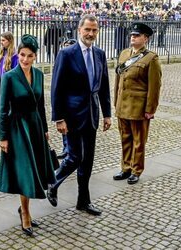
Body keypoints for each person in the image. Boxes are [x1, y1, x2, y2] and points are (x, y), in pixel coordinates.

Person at [48, 14, 112, 216]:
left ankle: (83, 201)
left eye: (94, 30)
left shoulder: (100, 54)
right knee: (75, 157)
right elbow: (56, 88)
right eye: (87, 30)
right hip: (72, 115)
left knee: (88, 160)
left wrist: (107, 114)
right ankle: (52, 183)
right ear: (79, 30)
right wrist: (59, 118)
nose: (91, 34)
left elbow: (104, 87)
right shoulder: (66, 54)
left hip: (92, 114)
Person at [0, 34, 56, 236]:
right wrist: (3, 137)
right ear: (18, 54)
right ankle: (26, 214)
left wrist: (45, 129)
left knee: (35, 169)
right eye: (22, 55)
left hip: (35, 127)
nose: (24, 59)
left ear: (35, 56)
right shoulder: (9, 77)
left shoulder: (39, 75)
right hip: (17, 129)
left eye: (29, 56)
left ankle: (24, 208)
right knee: (26, 172)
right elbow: (3, 109)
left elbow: (40, 106)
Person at [113, 22, 162, 185]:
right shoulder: (124, 54)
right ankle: (125, 168)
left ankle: (136, 170)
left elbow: (154, 87)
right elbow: (118, 81)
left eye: (137, 35)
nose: (132, 37)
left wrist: (150, 109)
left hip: (138, 108)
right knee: (125, 138)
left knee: (138, 141)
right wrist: (116, 102)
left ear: (145, 39)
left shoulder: (151, 58)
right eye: (132, 35)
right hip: (123, 106)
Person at [57, 38, 77, 160]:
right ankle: (66, 148)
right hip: (64, 101)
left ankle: (71, 150)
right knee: (64, 128)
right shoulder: (62, 60)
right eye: (65, 46)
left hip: (74, 102)